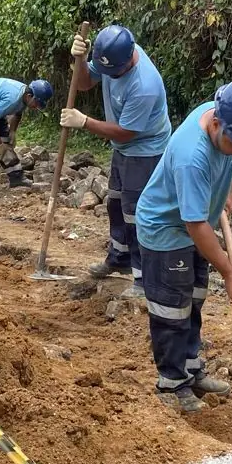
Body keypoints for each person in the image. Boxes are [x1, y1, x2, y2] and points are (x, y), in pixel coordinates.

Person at [134, 79, 232, 411]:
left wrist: (225, 191)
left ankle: (191, 368)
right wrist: (230, 273)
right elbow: (194, 225)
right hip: (167, 232)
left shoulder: (226, 122)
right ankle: (172, 384)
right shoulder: (190, 156)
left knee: (193, 300)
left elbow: (226, 162)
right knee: (172, 309)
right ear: (215, 124)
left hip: (197, 226)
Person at [59, 25, 171, 298]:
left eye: (113, 73)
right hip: (122, 148)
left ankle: (144, 279)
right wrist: (81, 61)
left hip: (145, 150)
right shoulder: (111, 56)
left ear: (128, 60)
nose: (109, 77)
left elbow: (126, 131)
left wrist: (84, 121)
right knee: (116, 203)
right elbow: (85, 83)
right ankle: (118, 259)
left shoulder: (145, 85)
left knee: (136, 215)